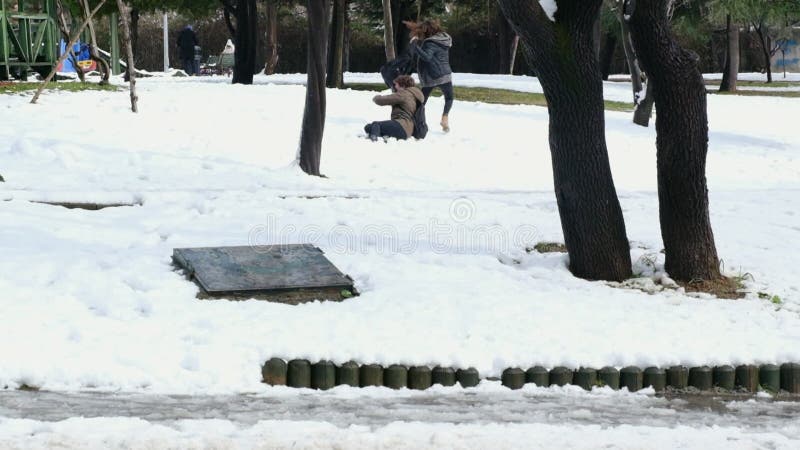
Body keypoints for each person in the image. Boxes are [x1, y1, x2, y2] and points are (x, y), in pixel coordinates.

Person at [406, 19, 453, 132]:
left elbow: (427, 57)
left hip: (432, 75)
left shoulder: (430, 42)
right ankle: (445, 118)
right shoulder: (444, 39)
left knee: (421, 100)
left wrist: (415, 45)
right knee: (449, 98)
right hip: (446, 74)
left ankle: (413, 121)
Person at [364, 75, 424, 142]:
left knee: (375, 125)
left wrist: (376, 97)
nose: (395, 87)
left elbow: (381, 100)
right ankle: (385, 136)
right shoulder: (413, 95)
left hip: (401, 126)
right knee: (369, 127)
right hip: (408, 130)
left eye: (396, 85)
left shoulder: (404, 94)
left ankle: (374, 140)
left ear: (403, 86)